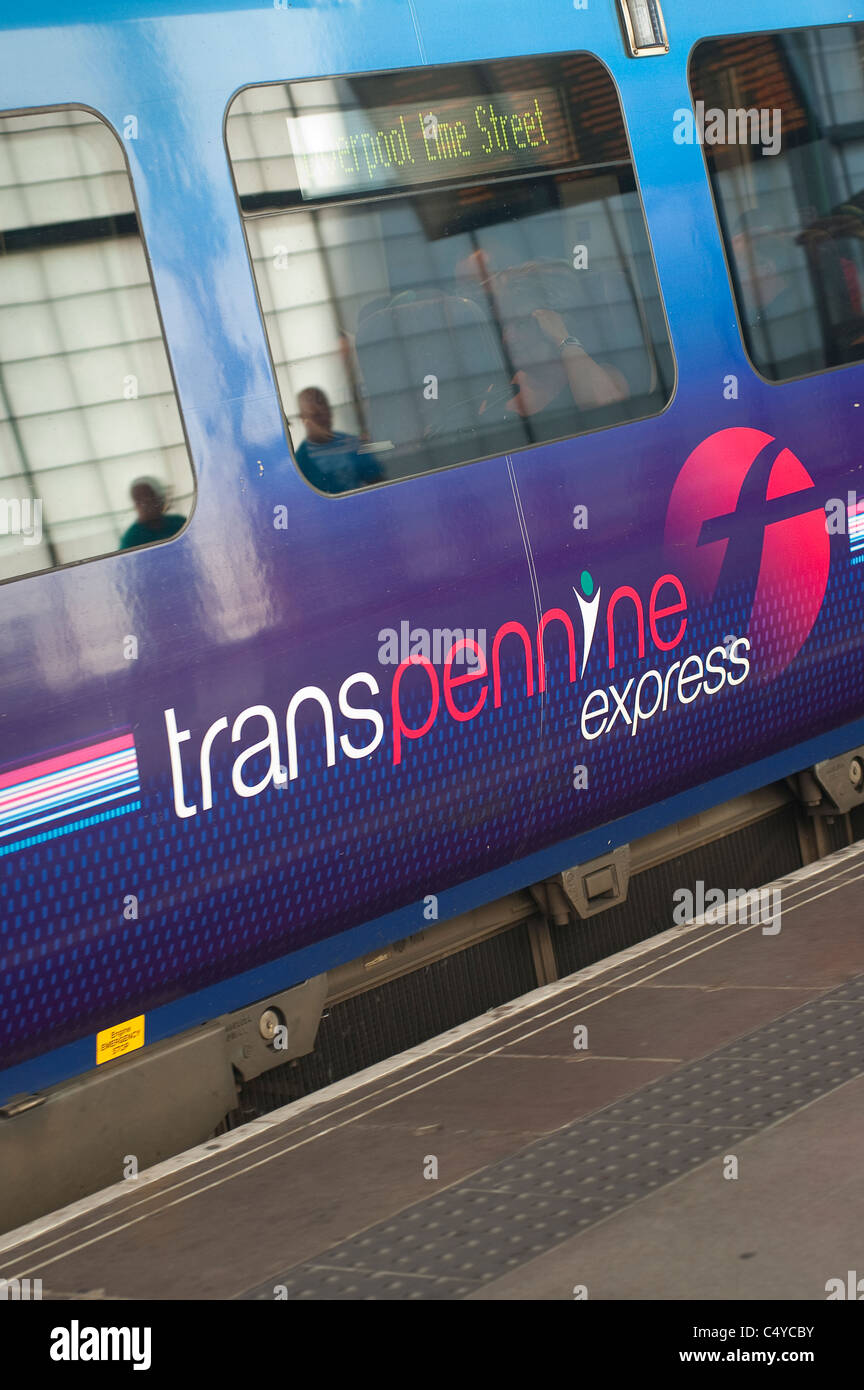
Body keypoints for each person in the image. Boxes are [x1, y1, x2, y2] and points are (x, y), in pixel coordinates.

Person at [483, 262, 630, 427]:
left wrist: (563, 339)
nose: (507, 337)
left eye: (522, 325)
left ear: (556, 323)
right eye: (504, 325)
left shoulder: (602, 375)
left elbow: (609, 417)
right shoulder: (502, 385)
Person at [293, 387, 381, 494]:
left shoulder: (351, 444)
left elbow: (378, 482)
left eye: (326, 411)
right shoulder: (299, 463)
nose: (324, 418)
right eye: (316, 415)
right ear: (303, 419)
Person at [119, 477, 185, 549]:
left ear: (159, 498)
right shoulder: (131, 539)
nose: (144, 504)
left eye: (148, 497)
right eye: (138, 499)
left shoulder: (180, 522)